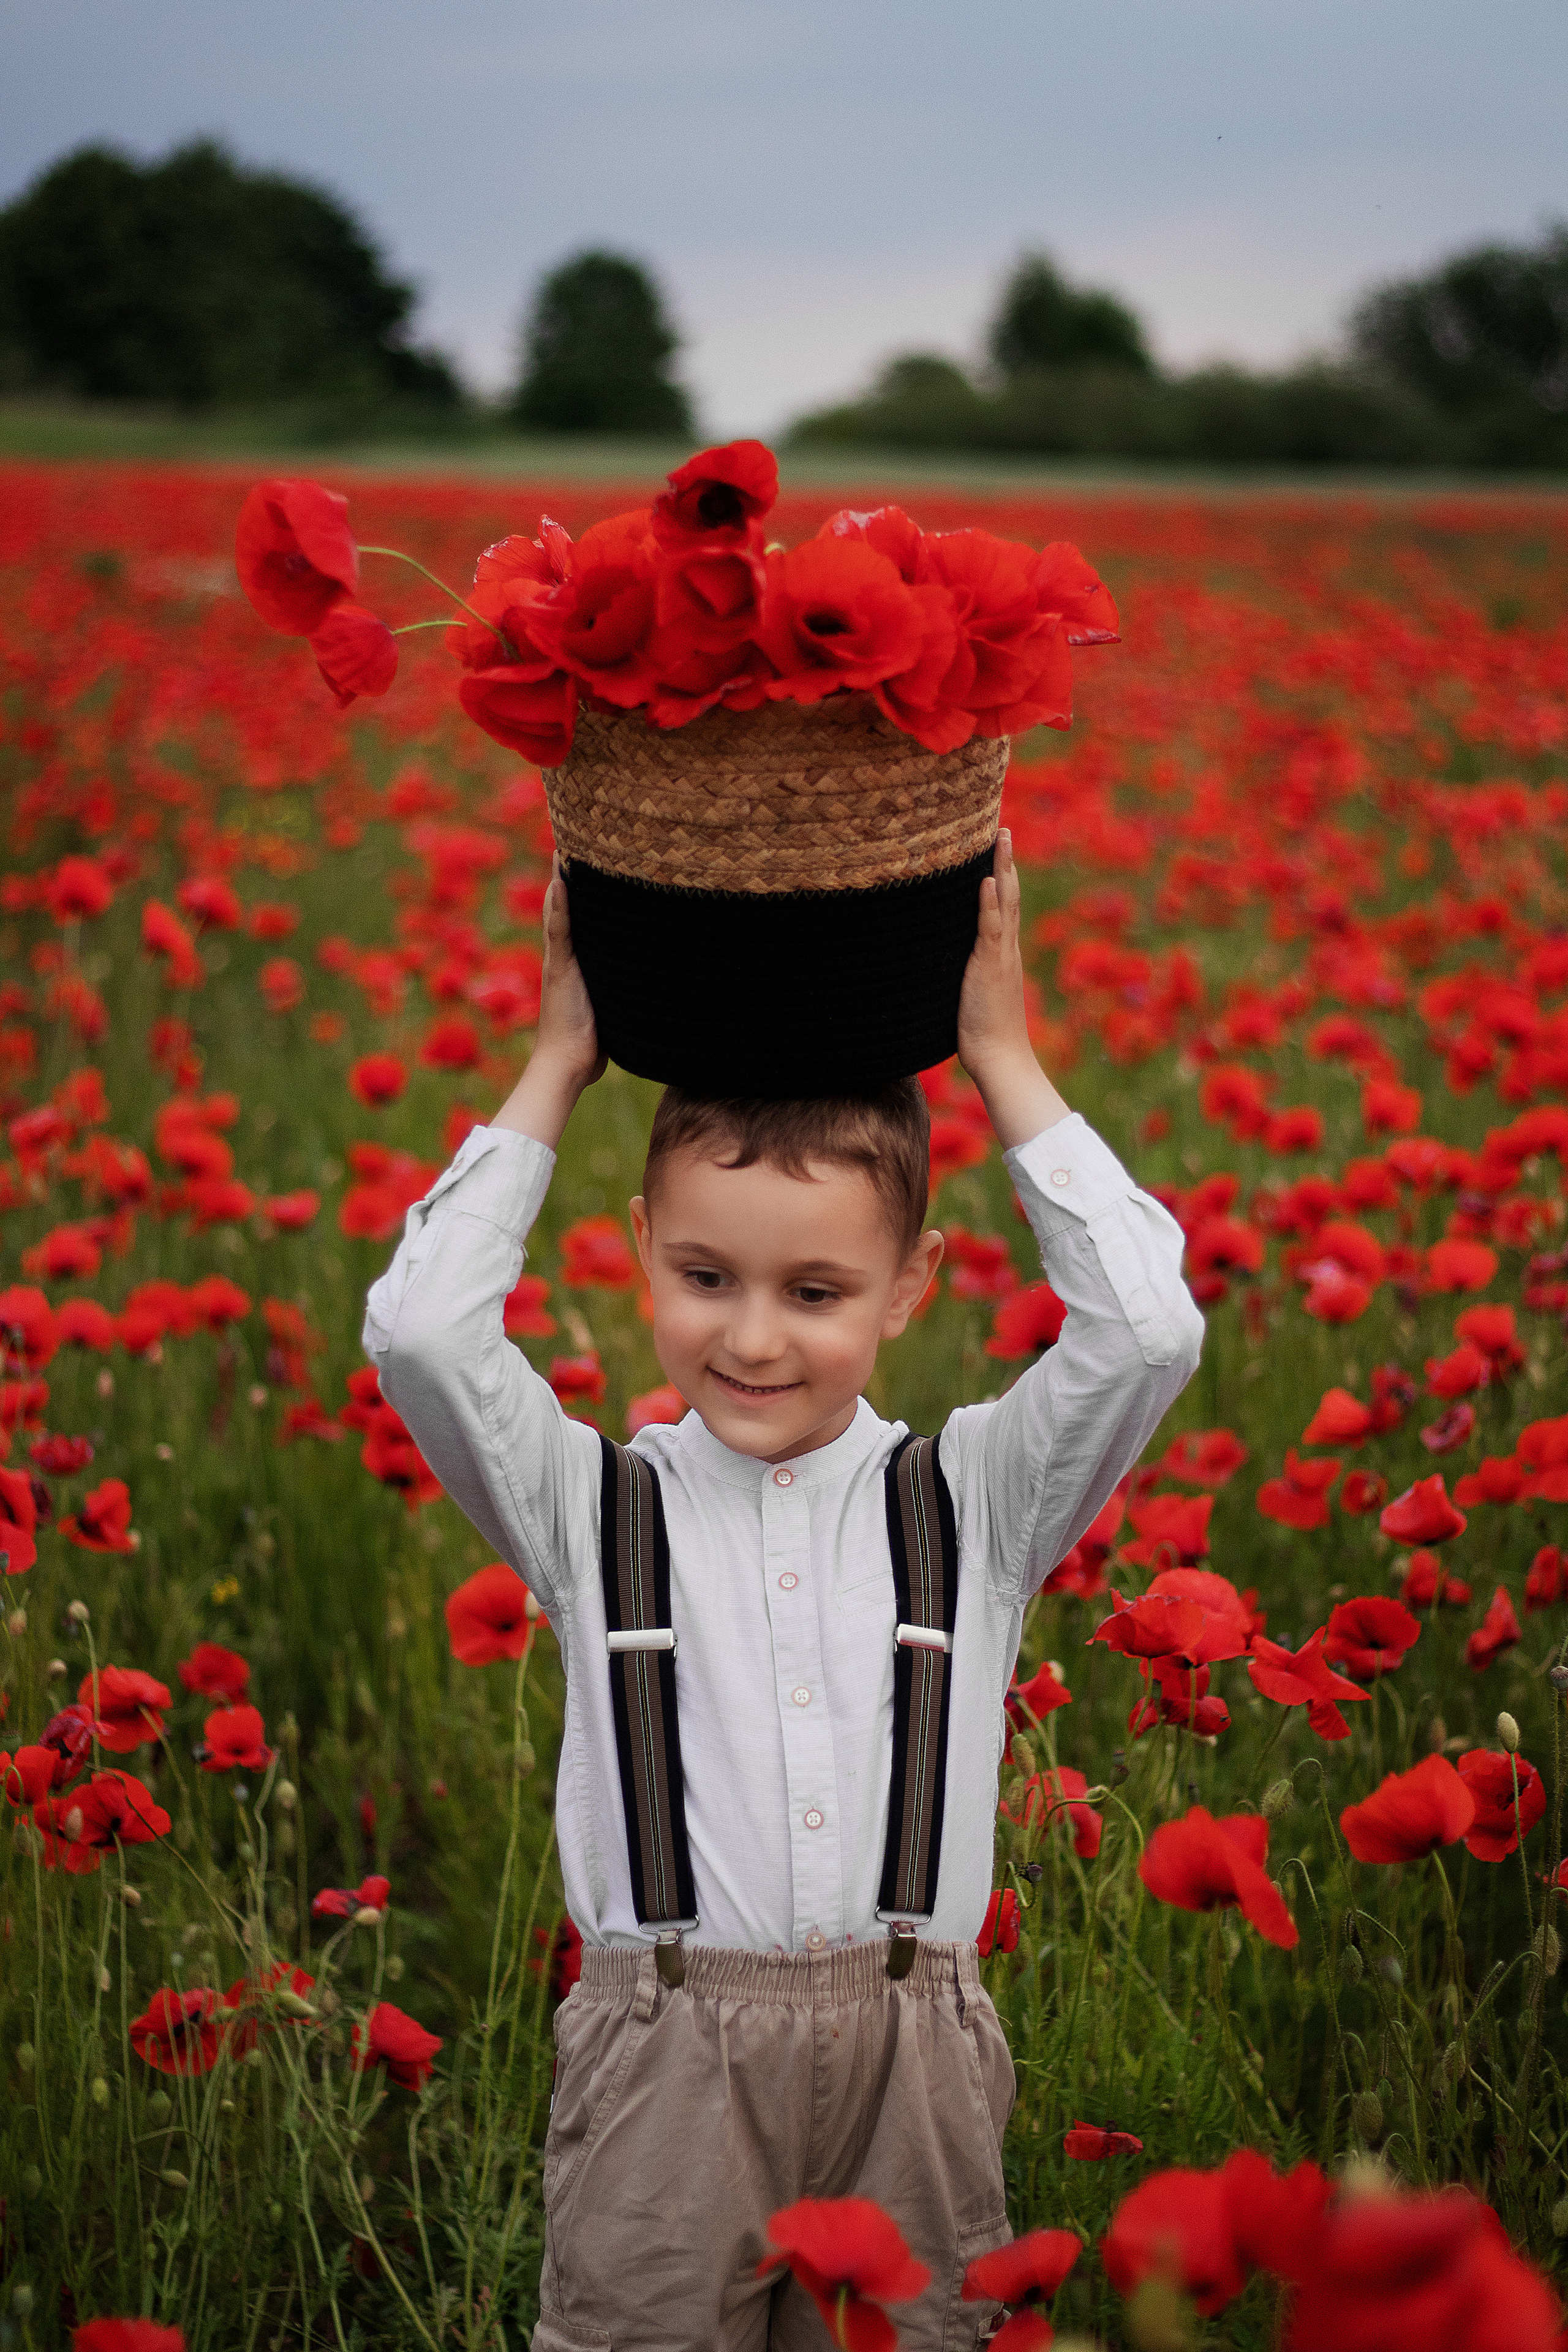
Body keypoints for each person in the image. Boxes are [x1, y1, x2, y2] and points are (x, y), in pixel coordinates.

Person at [363, 829, 1203, 2350]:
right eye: (704, 1277)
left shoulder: (974, 1498)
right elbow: (423, 1335)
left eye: (814, 1293)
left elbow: (1144, 1331)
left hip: (914, 2055)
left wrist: (999, 1055)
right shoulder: (590, 1503)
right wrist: (558, 1065)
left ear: (911, 1285)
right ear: (638, 1255)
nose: (751, 1338)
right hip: (663, 2054)